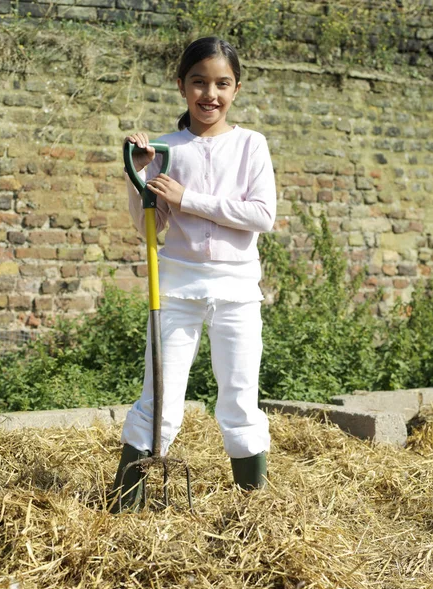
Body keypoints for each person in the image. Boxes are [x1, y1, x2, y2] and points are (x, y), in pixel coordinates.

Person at [110, 36, 277, 511]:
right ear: (181, 85)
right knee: (159, 399)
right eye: (199, 82)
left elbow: (262, 214)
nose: (211, 94)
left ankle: (253, 509)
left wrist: (190, 199)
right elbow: (153, 222)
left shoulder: (250, 145)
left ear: (236, 89)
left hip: (237, 289)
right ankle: (126, 507)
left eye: (222, 84)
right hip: (177, 286)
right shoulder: (168, 148)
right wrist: (138, 177)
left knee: (241, 399)